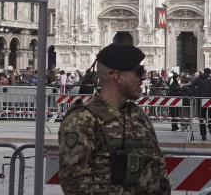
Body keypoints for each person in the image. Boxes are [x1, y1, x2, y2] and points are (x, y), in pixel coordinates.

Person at [57, 43, 170, 195]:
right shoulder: (82, 121)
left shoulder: (138, 116)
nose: (144, 77)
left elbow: (159, 172)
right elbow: (75, 187)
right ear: (118, 76)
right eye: (139, 71)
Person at [192, 68, 211, 141]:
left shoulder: (198, 78)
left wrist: (193, 94)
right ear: (209, 73)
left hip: (201, 99)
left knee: (202, 118)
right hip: (209, 98)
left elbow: (192, 85)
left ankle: (203, 134)